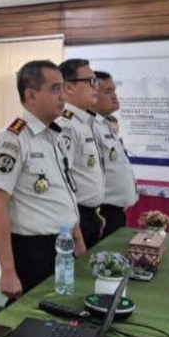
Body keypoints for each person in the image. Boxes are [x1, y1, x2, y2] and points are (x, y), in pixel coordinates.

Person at [0, 60, 86, 301]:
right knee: (33, 318)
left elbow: (64, 193)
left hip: (61, 246)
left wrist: (77, 237)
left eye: (62, 88)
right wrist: (7, 270)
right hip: (32, 251)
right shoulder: (13, 139)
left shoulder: (55, 137)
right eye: (55, 89)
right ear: (31, 95)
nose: (63, 96)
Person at [57, 59, 107, 249]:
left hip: (89, 216)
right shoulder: (66, 125)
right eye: (91, 81)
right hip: (75, 219)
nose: (96, 87)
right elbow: (62, 182)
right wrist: (76, 231)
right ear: (68, 87)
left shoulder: (83, 122)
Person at [90, 71, 138, 239]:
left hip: (115, 212)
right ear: (93, 95)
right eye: (108, 91)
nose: (115, 96)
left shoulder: (105, 124)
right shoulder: (89, 128)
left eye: (114, 90)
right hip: (101, 213)